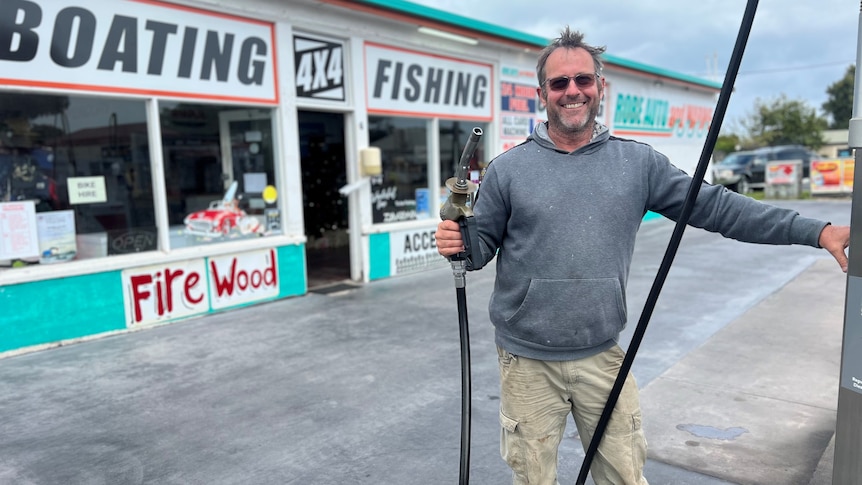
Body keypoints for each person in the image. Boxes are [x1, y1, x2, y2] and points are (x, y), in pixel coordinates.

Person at [434, 27, 850, 485]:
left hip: (603, 357)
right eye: (559, 83)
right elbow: (477, 251)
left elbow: (719, 208)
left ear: (599, 88)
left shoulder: (638, 165)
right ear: (543, 94)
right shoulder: (508, 170)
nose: (573, 91)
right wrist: (458, 242)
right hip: (526, 364)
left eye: (583, 80)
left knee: (625, 477)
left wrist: (817, 231)